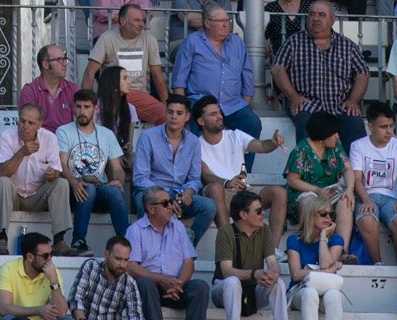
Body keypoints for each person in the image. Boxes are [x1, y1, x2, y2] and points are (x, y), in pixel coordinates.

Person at [271, 0, 369, 151]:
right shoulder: (294, 42)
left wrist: (353, 101)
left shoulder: (347, 45)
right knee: (304, 124)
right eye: (312, 14)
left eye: (321, 15)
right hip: (307, 105)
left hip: (339, 105)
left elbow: (362, 73)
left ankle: (356, 172)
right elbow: (277, 68)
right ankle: (306, 170)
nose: (315, 18)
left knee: (355, 124)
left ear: (332, 20)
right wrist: (293, 96)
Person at [131, 97, 215, 247]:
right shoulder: (148, 137)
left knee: (208, 207)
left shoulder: (194, 142)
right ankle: (147, 246)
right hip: (152, 191)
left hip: (180, 195)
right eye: (170, 112)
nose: (174, 116)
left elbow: (195, 178)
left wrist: (189, 192)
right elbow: (140, 178)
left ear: (187, 116)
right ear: (166, 113)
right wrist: (167, 196)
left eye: (179, 113)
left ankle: (186, 246)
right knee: (142, 202)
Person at [194, 96, 285, 233]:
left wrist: (272, 143)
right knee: (215, 188)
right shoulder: (195, 144)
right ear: (201, 121)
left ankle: (272, 252)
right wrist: (227, 182)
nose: (219, 117)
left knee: (279, 192)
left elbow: (260, 146)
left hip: (243, 192)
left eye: (219, 112)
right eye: (213, 114)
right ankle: (227, 243)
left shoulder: (235, 135)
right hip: (220, 192)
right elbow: (205, 174)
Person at [170, 8, 260, 141]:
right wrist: (182, 110)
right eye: (221, 21)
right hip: (200, 102)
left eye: (227, 20)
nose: (225, 24)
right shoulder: (192, 42)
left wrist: (245, 105)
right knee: (199, 128)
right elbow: (179, 80)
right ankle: (200, 162)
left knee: (253, 123)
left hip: (233, 104)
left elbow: (247, 77)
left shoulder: (237, 43)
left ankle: (242, 163)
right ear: (207, 23)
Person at [0, 108, 73, 257]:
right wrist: (22, 152)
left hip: (38, 196)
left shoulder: (49, 138)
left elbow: (56, 171)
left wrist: (52, 174)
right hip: (13, 196)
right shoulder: (6, 137)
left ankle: (59, 240)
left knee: (61, 183)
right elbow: (3, 172)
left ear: (40, 124)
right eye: (22, 121)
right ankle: (1, 238)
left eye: (31, 123)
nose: (25, 126)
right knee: (2, 181)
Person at [57, 87, 128, 253]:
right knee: (86, 188)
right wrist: (74, 183)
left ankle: (125, 242)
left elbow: (118, 168)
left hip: (99, 187)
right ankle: (78, 241)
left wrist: (118, 180)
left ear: (96, 109)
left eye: (87, 107)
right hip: (73, 189)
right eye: (78, 106)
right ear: (73, 107)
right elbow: (62, 163)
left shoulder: (106, 134)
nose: (82, 111)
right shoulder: (64, 131)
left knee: (116, 192)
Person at [125, 184, 209, 320]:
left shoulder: (179, 227)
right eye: (165, 204)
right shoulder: (135, 230)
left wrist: (178, 285)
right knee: (145, 284)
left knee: (200, 287)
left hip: (176, 287)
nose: (171, 206)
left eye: (170, 201)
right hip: (152, 288)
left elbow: (189, 261)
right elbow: (131, 266)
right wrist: (162, 280)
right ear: (151, 208)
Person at [83, 4, 167, 127]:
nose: (141, 24)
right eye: (137, 20)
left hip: (138, 93)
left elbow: (157, 76)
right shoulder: (107, 38)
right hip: (113, 93)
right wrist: (87, 102)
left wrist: (168, 105)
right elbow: (90, 72)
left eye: (143, 20)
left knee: (168, 116)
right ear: (122, 21)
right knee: (166, 115)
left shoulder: (150, 40)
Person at [349, 100, 397, 264]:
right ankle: (378, 264)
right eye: (383, 127)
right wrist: (366, 200)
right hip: (366, 195)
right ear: (370, 126)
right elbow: (356, 178)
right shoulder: (358, 146)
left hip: (392, 198)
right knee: (367, 219)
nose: (389, 131)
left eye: (391, 126)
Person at [214, 188, 289, 320]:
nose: (263, 214)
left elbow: (272, 261)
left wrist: (273, 272)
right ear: (244, 215)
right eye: (258, 211)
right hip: (223, 289)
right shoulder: (226, 232)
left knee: (278, 283)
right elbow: (226, 271)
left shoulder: (264, 230)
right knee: (232, 282)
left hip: (252, 290)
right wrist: (254, 274)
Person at [283, 112, 354, 248]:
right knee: (311, 203)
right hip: (305, 194)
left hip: (329, 194)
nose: (337, 136)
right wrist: (316, 190)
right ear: (322, 135)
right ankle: (310, 247)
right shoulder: (302, 150)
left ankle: (341, 250)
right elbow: (292, 180)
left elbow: (348, 169)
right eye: (334, 133)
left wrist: (349, 189)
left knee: (346, 202)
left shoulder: (336, 146)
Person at [286, 193, 347, 320]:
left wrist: (323, 237)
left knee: (334, 295)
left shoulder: (336, 240)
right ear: (311, 216)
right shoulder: (294, 240)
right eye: (323, 214)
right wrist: (325, 271)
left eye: (331, 214)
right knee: (310, 293)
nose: (328, 218)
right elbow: (296, 275)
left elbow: (325, 264)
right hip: (300, 289)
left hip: (326, 289)